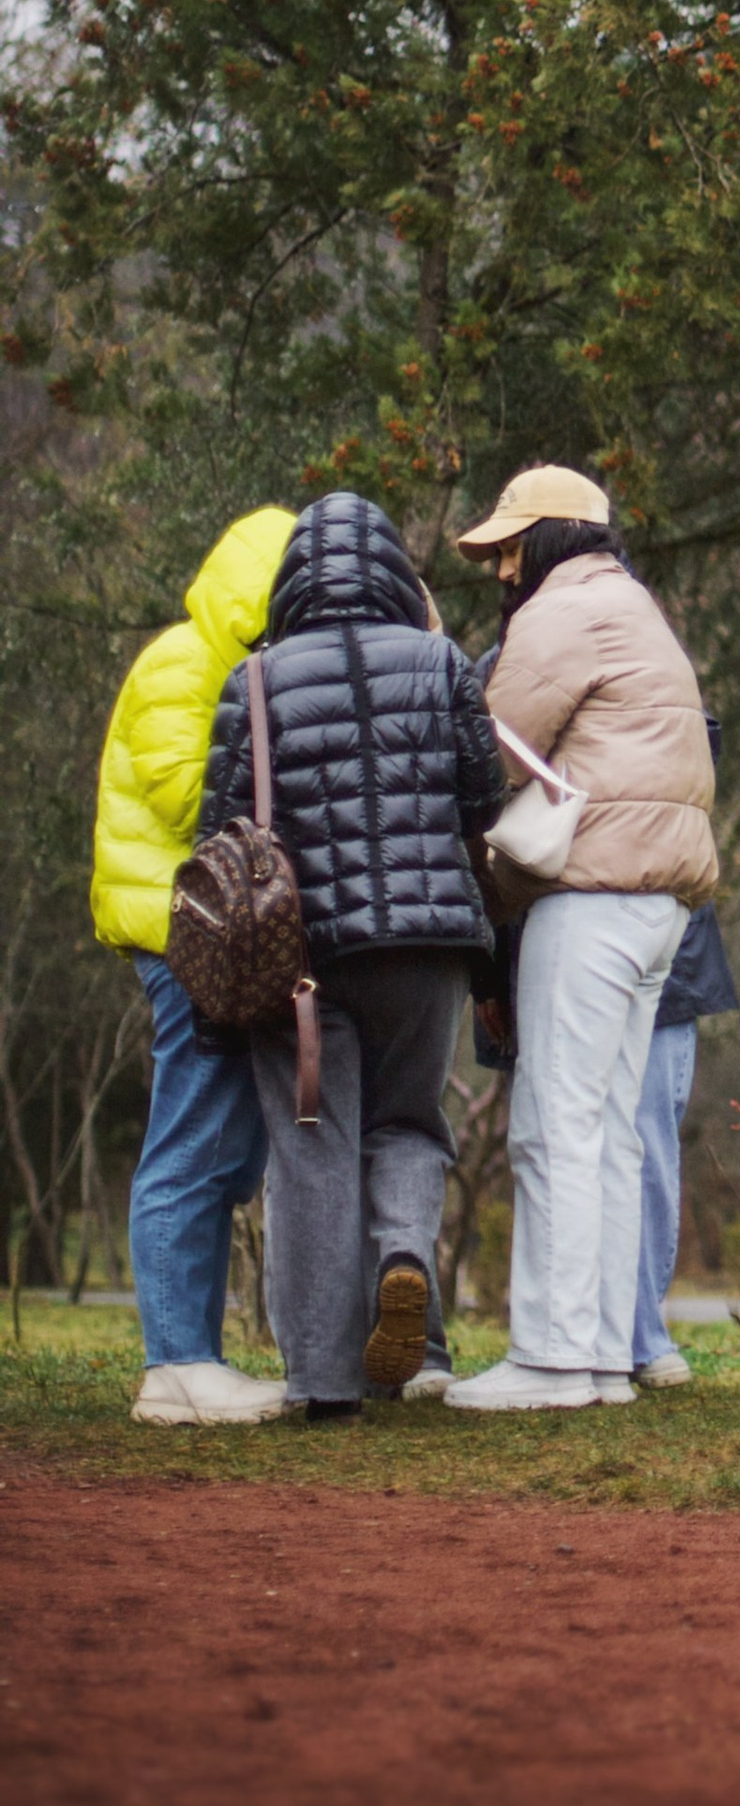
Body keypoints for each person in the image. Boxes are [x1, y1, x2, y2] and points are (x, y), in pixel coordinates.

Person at [196, 491, 505, 1419]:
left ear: (295, 579)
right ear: (392, 572)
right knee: (409, 1125)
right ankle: (405, 1254)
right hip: (429, 944)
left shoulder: (254, 679)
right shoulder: (443, 660)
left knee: (312, 1152)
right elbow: (484, 803)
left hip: (304, 961)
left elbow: (220, 832)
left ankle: (325, 1387)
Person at [446, 465, 720, 1414]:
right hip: (655, 906)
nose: (500, 568)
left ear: (558, 537)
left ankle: (555, 1358)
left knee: (554, 1124)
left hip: (590, 893)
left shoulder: (562, 614)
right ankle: (601, 1355)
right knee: (607, 1132)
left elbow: (488, 744)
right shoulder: (633, 607)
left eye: (512, 545)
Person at [90, 505, 297, 1426]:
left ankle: (192, 1356)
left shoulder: (227, 661)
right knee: (195, 1137)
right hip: (181, 927)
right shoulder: (185, 663)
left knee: (226, 1144)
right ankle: (176, 1364)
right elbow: (190, 802)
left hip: (209, 927)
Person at [629, 899, 740, 1388]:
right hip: (562, 948)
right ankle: (601, 1336)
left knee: (648, 1148)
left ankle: (642, 1336)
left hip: (663, 956)